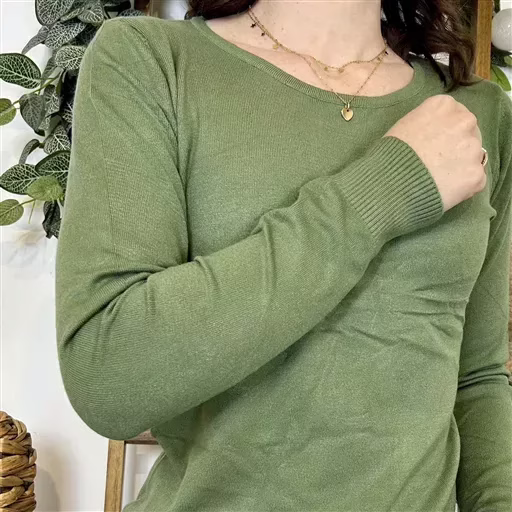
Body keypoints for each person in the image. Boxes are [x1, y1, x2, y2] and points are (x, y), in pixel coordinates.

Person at [54, 0, 512, 510]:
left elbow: (478, 379)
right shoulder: (151, 61)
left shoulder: (476, 114)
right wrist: (385, 188)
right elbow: (108, 376)